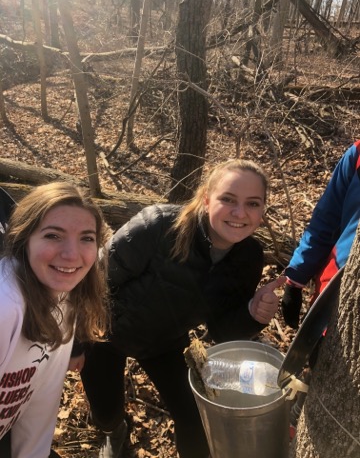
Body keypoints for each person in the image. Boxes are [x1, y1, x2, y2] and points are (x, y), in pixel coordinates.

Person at [80, 159, 286, 458]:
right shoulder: (159, 225)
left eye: (252, 203)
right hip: (105, 334)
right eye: (228, 199)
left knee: (196, 418)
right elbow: (92, 282)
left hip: (165, 341)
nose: (240, 213)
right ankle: (116, 432)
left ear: (262, 210)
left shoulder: (249, 256)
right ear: (206, 199)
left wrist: (253, 314)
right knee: (105, 413)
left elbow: (221, 331)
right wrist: (76, 341)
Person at [0, 182, 110, 458]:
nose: (72, 255)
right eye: (53, 236)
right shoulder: (6, 306)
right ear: (23, 239)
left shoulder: (66, 297)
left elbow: (41, 396)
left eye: (86, 238)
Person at [281, 139, 360, 436]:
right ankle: (295, 425)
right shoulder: (357, 154)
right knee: (318, 369)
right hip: (333, 294)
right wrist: (296, 280)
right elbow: (325, 220)